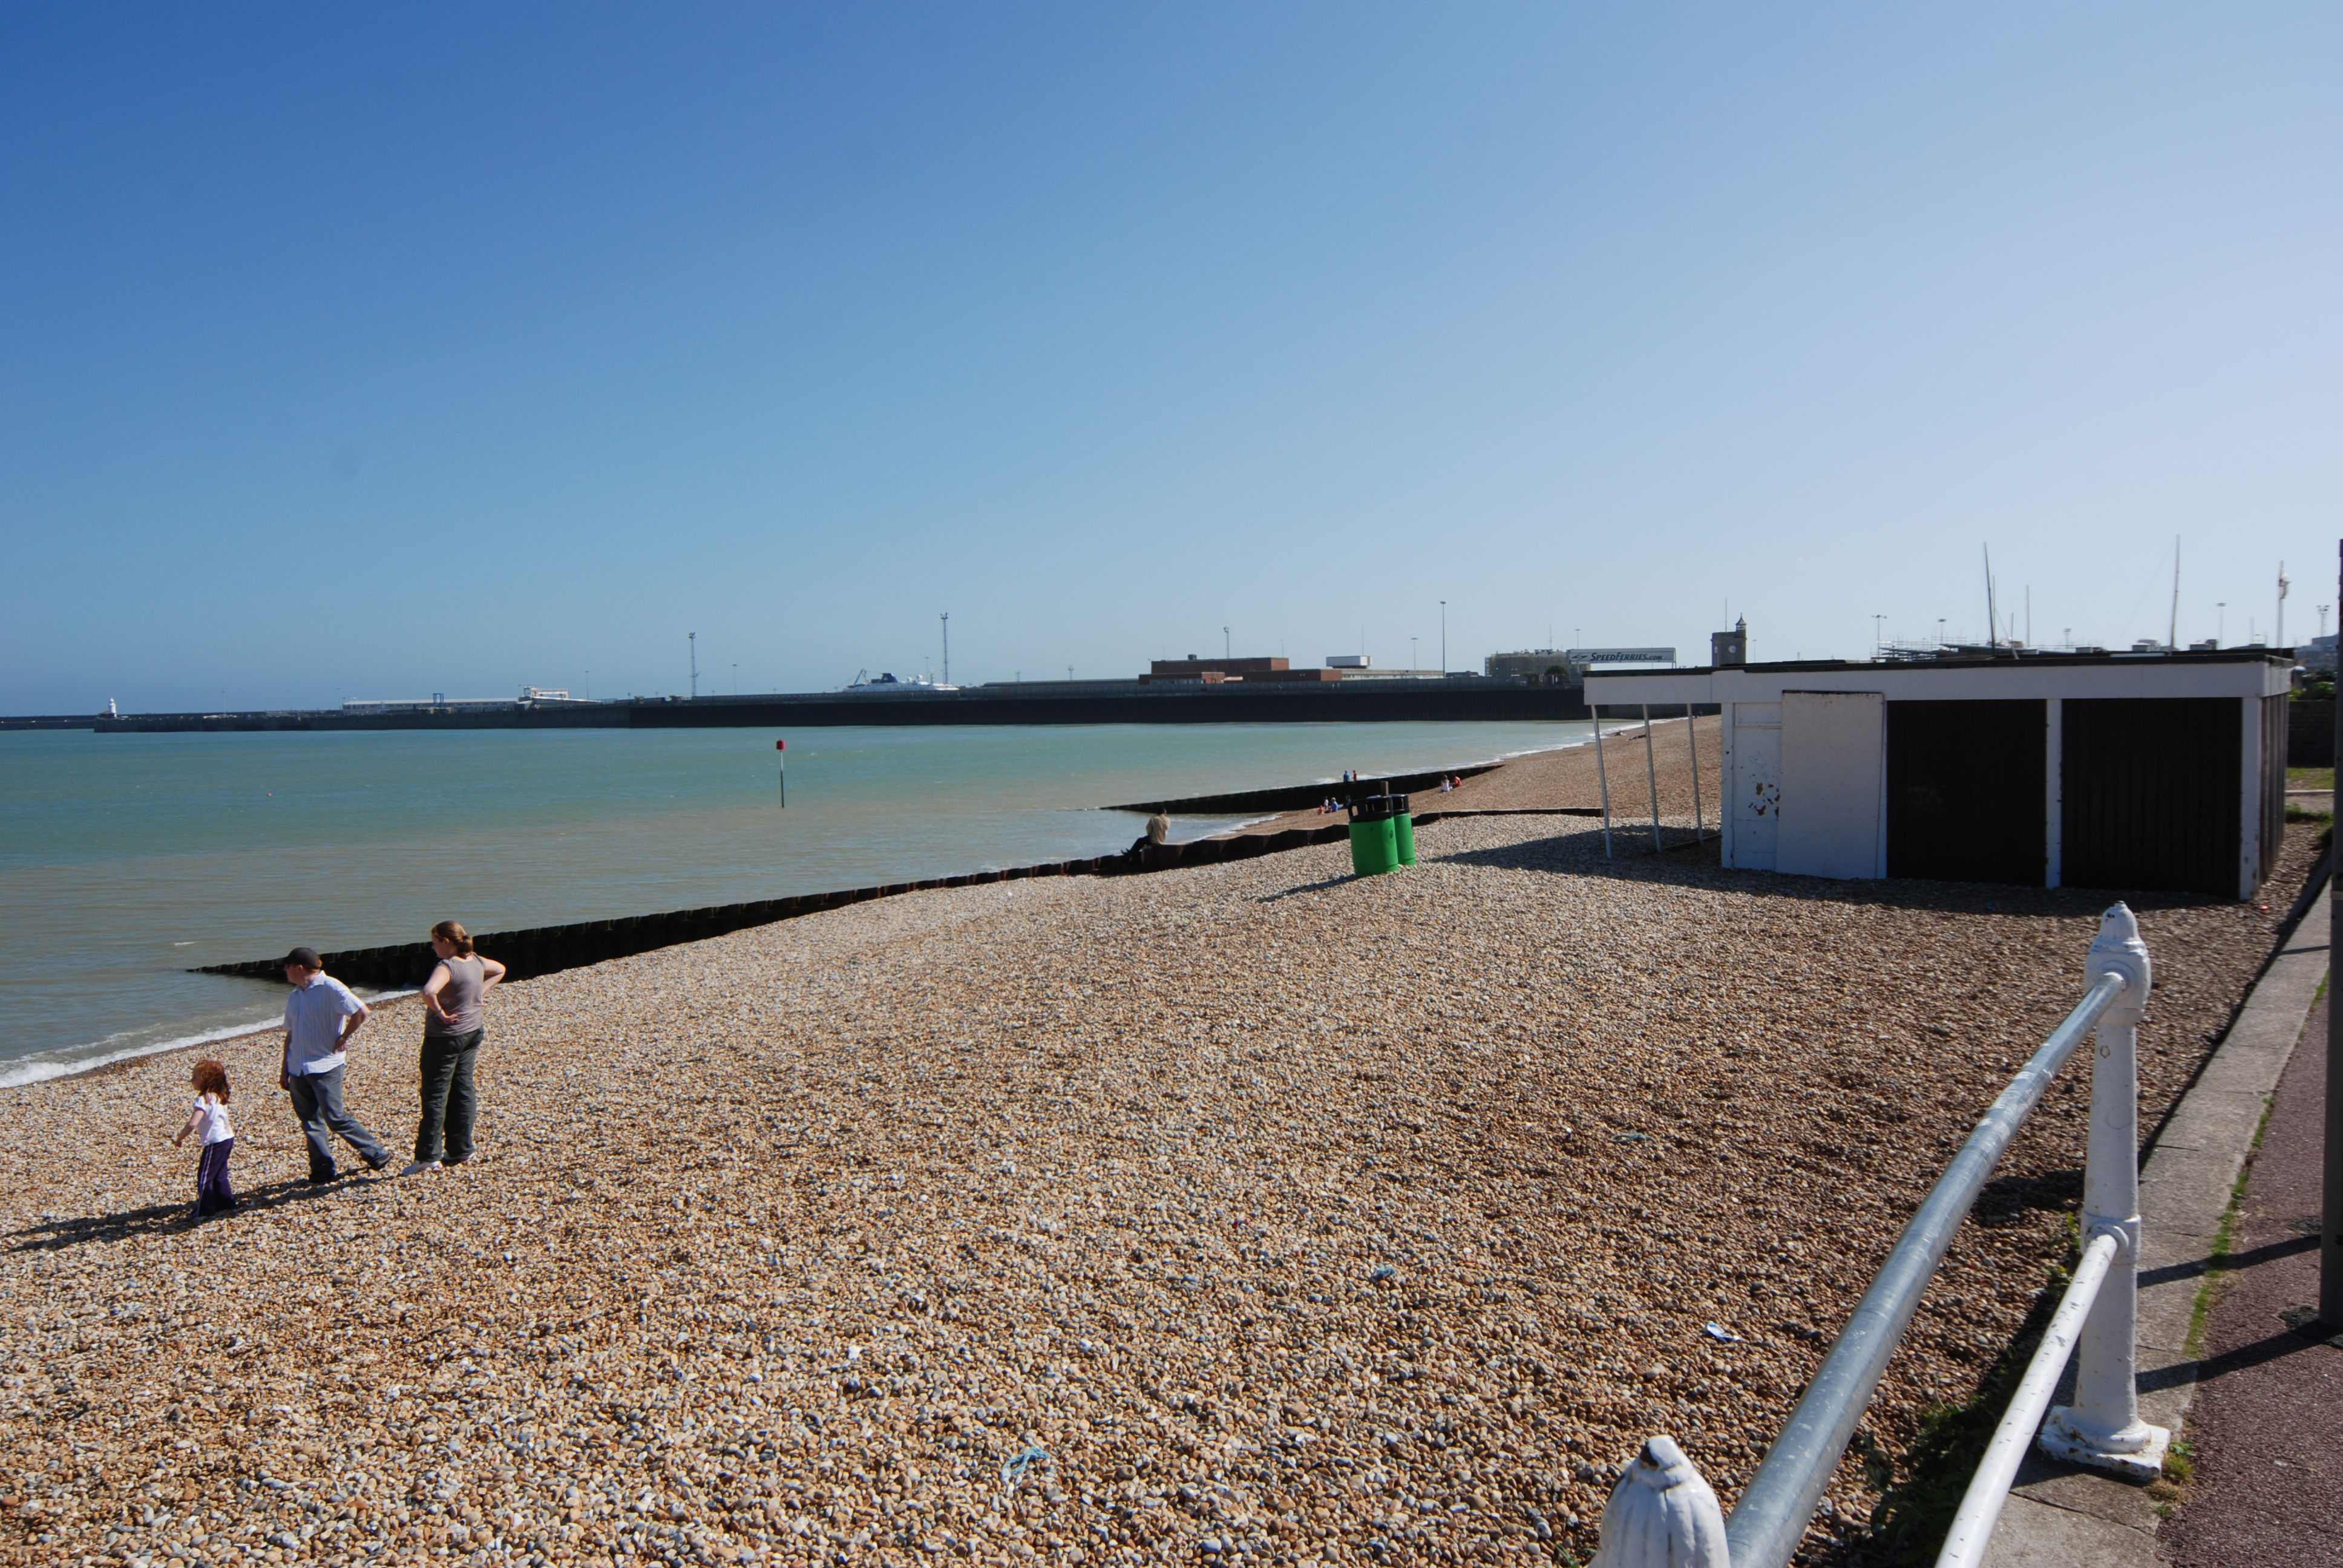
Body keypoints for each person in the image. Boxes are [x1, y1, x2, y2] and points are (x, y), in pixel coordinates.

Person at [279, 946, 394, 1183]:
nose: (285, 971)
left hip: (325, 1065)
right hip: (298, 1066)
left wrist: (344, 1037)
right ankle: (322, 1169)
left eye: (287, 966)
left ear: (299, 968)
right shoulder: (295, 995)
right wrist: (285, 1068)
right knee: (310, 1120)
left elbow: (362, 1011)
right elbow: (290, 1034)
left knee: (335, 1117)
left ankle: (375, 1152)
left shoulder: (331, 987)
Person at [406, 920, 506, 1175]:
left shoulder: (447, 966)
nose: (432, 946)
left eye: (435, 941)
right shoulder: (475, 960)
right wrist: (480, 993)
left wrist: (440, 1012)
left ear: (446, 942)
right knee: (462, 1088)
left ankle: (428, 1157)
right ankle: (462, 1149)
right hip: (473, 1032)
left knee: (436, 1095)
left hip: (445, 1038)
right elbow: (500, 970)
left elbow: (428, 991)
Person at [172, 1059, 237, 1217]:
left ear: (206, 1079)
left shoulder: (203, 1100)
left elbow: (193, 1124)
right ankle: (226, 1203)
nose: (191, 1081)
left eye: (195, 1077)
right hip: (228, 1138)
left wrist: (180, 1138)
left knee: (205, 1176)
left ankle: (205, 1209)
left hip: (215, 1142)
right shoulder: (219, 1096)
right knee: (220, 1174)